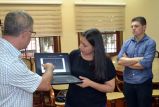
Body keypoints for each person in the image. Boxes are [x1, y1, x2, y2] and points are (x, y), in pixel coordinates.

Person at [0, 11, 54, 107]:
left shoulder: (4, 51)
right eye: (31, 33)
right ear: (25, 34)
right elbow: (45, 85)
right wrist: (50, 68)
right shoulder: (11, 63)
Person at [65, 28, 116, 107]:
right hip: (72, 103)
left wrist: (90, 83)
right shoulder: (74, 54)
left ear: (95, 47)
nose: (80, 46)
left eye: (85, 45)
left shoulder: (105, 61)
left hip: (96, 104)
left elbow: (110, 88)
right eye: (80, 42)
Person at [118, 16, 156, 107]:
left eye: (136, 26)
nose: (133, 28)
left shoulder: (150, 43)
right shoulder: (127, 42)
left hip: (143, 83)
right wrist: (139, 59)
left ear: (144, 27)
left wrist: (127, 62)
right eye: (132, 26)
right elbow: (120, 60)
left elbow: (144, 64)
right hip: (128, 83)